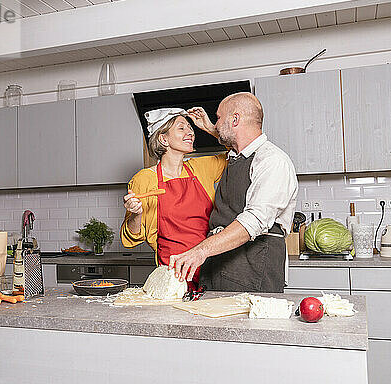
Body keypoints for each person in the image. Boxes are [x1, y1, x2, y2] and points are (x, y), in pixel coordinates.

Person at [168, 92, 298, 293]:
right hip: (219, 264)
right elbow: (236, 141)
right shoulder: (237, 157)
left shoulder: (272, 161)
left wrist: (200, 251)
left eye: (219, 118)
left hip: (252, 269)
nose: (216, 124)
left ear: (235, 119)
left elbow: (253, 221)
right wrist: (213, 129)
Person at [120, 108, 227, 290]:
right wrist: (135, 214)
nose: (190, 132)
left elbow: (239, 150)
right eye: (181, 128)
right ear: (163, 139)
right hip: (173, 273)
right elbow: (131, 238)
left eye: (190, 128)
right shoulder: (144, 179)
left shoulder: (201, 168)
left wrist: (210, 129)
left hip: (210, 266)